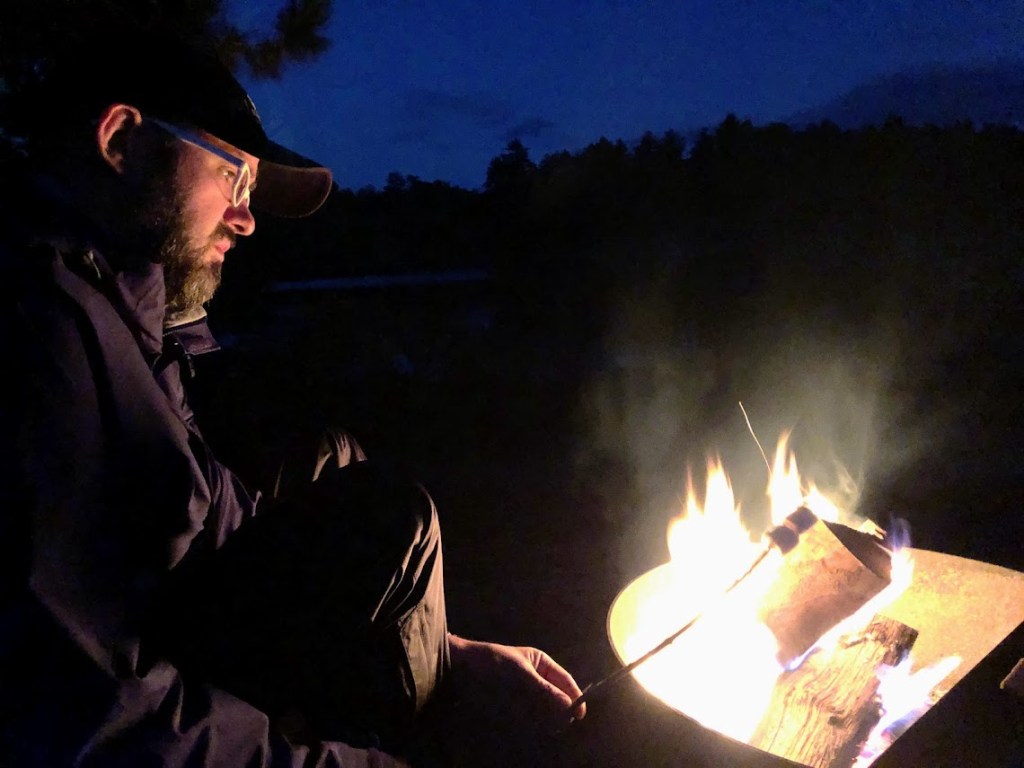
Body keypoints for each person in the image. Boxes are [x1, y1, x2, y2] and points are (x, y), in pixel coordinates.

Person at [0, 28, 584, 767]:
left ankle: (425, 696)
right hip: (139, 716)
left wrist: (448, 651)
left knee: (333, 466)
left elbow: (217, 517)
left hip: (176, 636)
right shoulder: (41, 334)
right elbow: (93, 718)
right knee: (394, 516)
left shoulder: (126, 312)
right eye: (233, 178)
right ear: (121, 142)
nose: (246, 218)